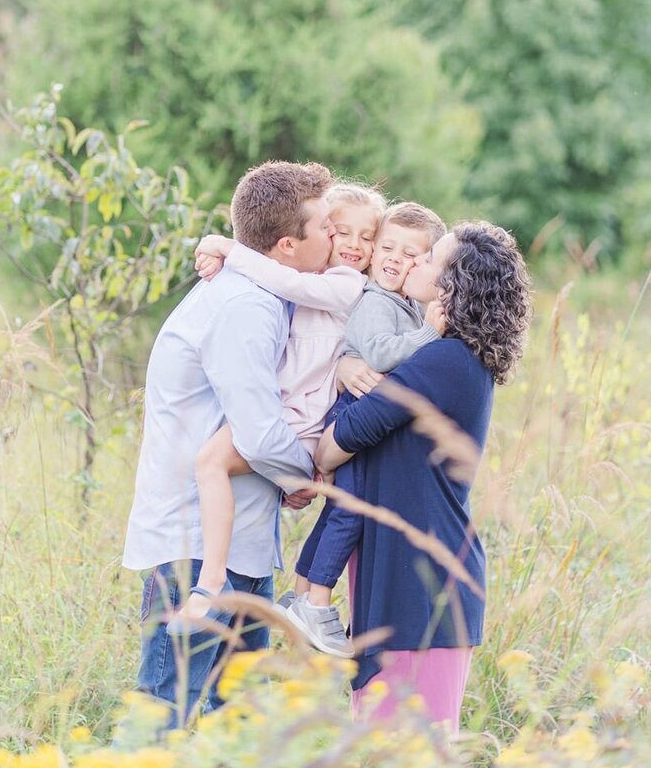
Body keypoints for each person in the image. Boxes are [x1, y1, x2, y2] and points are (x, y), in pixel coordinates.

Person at [121, 160, 335, 727]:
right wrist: (306, 476)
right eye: (328, 229)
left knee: (235, 722)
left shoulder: (267, 291)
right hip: (196, 549)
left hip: (242, 543)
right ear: (288, 246)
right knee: (164, 715)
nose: (338, 238)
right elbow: (260, 433)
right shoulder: (246, 307)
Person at [315, 221, 531, 735]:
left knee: (414, 767)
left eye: (429, 256)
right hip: (402, 575)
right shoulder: (441, 354)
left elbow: (336, 443)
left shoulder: (444, 360)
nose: (414, 262)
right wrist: (348, 363)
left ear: (452, 285)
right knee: (384, 765)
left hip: (424, 590)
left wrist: (349, 380)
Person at [168, 181, 386, 633]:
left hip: (300, 418)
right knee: (211, 463)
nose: (353, 245)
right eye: (339, 231)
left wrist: (229, 248)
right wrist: (218, 255)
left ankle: (211, 580)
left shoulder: (347, 286)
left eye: (368, 237)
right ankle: (217, 579)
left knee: (210, 461)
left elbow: (280, 275)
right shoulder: (314, 280)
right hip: (284, 411)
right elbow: (280, 272)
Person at [285, 201, 446, 654]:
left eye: (411, 254)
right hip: (351, 415)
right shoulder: (378, 300)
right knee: (351, 510)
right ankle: (317, 602)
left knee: (341, 507)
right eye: (389, 247)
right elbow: (378, 353)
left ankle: (300, 591)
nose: (395, 258)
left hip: (357, 411)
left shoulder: (404, 305)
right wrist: (429, 334)